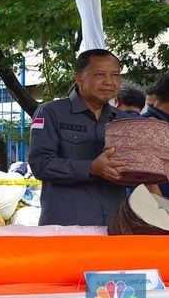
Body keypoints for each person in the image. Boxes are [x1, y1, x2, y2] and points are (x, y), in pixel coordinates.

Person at [28, 49, 129, 226]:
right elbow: (40, 164)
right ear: (79, 77)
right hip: (67, 227)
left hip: (115, 226)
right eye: (100, 75)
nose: (109, 82)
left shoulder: (125, 120)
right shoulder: (51, 113)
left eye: (115, 75)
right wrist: (91, 168)